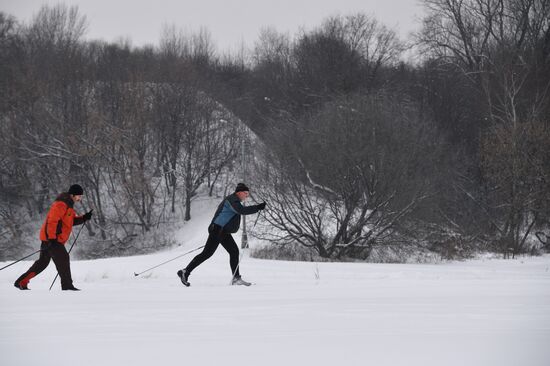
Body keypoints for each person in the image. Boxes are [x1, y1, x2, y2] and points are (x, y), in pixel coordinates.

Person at [177, 183, 266, 287]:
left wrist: (257, 208)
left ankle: (236, 278)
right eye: (246, 193)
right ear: (240, 192)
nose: (247, 196)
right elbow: (241, 210)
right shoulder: (232, 200)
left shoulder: (235, 201)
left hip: (223, 231)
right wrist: (257, 207)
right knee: (207, 253)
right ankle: (185, 272)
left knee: (234, 251)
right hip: (217, 229)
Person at [13, 184, 93, 291]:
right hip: (53, 240)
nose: (80, 198)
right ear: (72, 195)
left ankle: (21, 282)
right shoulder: (61, 204)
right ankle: (67, 286)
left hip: (52, 239)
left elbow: (70, 221)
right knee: (63, 259)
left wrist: (84, 218)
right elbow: (52, 221)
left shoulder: (69, 206)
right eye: (79, 196)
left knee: (42, 263)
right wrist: (51, 238)